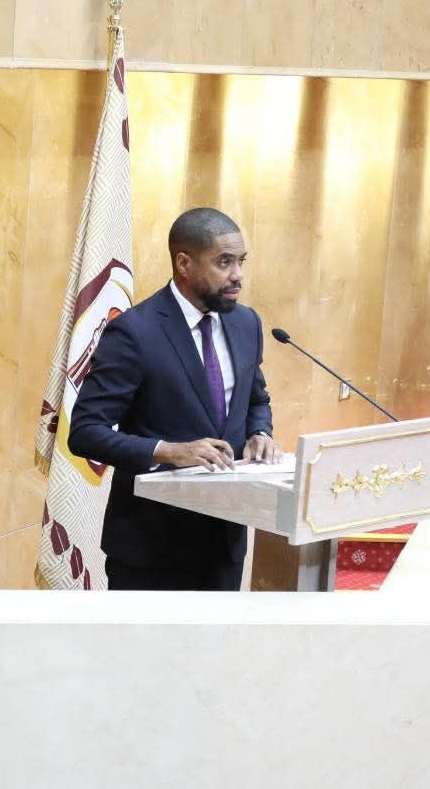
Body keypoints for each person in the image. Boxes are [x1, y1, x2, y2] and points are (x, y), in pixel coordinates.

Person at [68, 207, 277, 591]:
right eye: (224, 262)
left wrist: (260, 431)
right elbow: (85, 432)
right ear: (184, 263)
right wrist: (168, 451)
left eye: (240, 262)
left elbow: (255, 400)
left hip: (223, 542)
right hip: (151, 549)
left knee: (214, 651)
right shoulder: (134, 332)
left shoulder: (246, 324)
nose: (238, 276)